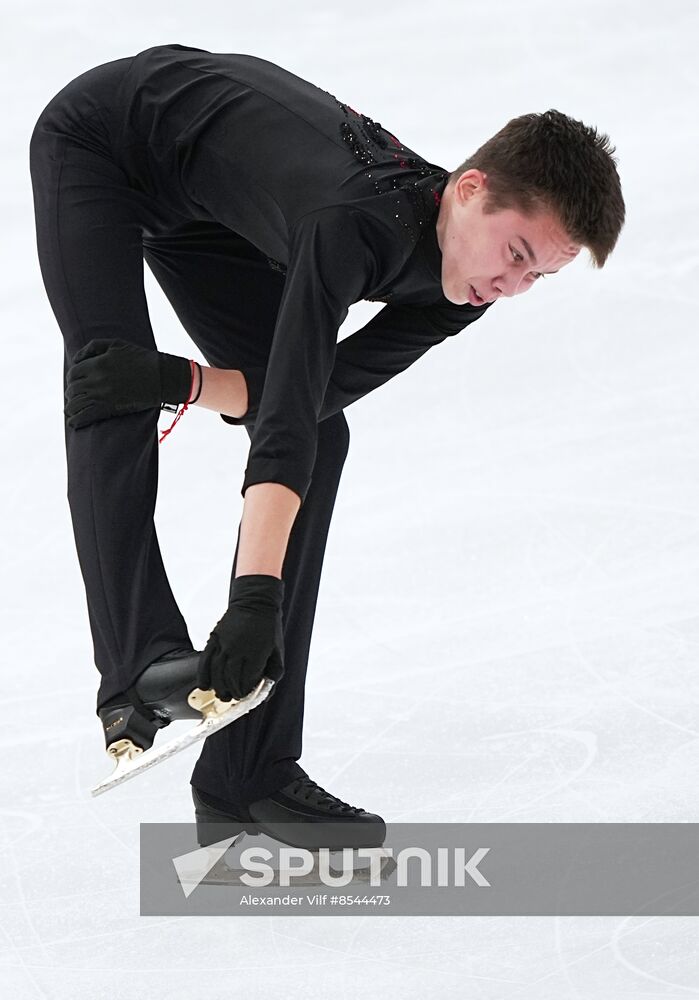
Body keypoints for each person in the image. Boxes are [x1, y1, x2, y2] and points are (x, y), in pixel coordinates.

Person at [29, 43, 625, 848]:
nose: (511, 287)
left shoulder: (462, 286)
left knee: (319, 432)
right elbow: (279, 429)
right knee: (109, 385)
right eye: (516, 255)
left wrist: (185, 379)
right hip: (105, 138)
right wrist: (255, 597)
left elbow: (311, 395)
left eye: (536, 278)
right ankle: (137, 657)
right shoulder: (348, 223)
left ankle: (248, 776)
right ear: (471, 189)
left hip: (211, 202)